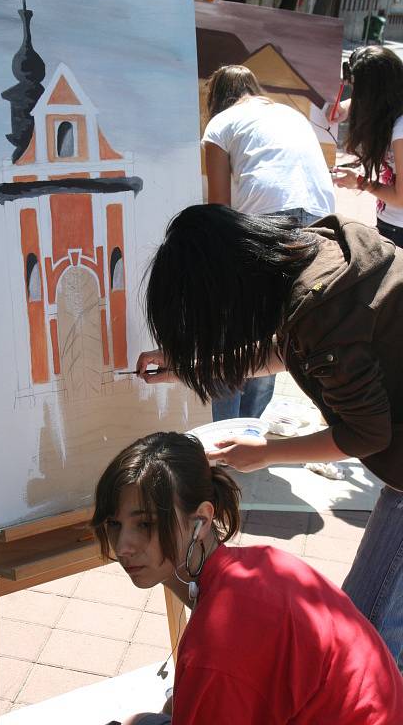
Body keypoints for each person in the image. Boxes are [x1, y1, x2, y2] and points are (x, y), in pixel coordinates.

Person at [136, 204, 403, 671]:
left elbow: (367, 431)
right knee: (361, 625)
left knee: (375, 642)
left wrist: (269, 453)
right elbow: (289, 347)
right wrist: (197, 365)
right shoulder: (312, 253)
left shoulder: (320, 307)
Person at [92, 432, 403, 725]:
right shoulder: (260, 560)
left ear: (200, 521)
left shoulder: (216, 648)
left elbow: (224, 670)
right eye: (114, 524)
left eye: (145, 524)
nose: (122, 547)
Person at [202, 65, 335, 421]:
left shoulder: (220, 124)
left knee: (232, 332)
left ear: (216, 99)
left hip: (270, 221)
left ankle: (228, 432)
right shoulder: (290, 114)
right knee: (279, 330)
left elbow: (218, 210)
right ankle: (250, 426)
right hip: (323, 223)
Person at [331, 45, 403, 248]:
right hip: (391, 222)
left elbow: (400, 197)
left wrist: (360, 182)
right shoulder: (395, 103)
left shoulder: (401, 132)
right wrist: (345, 106)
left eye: (360, 91)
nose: (357, 96)